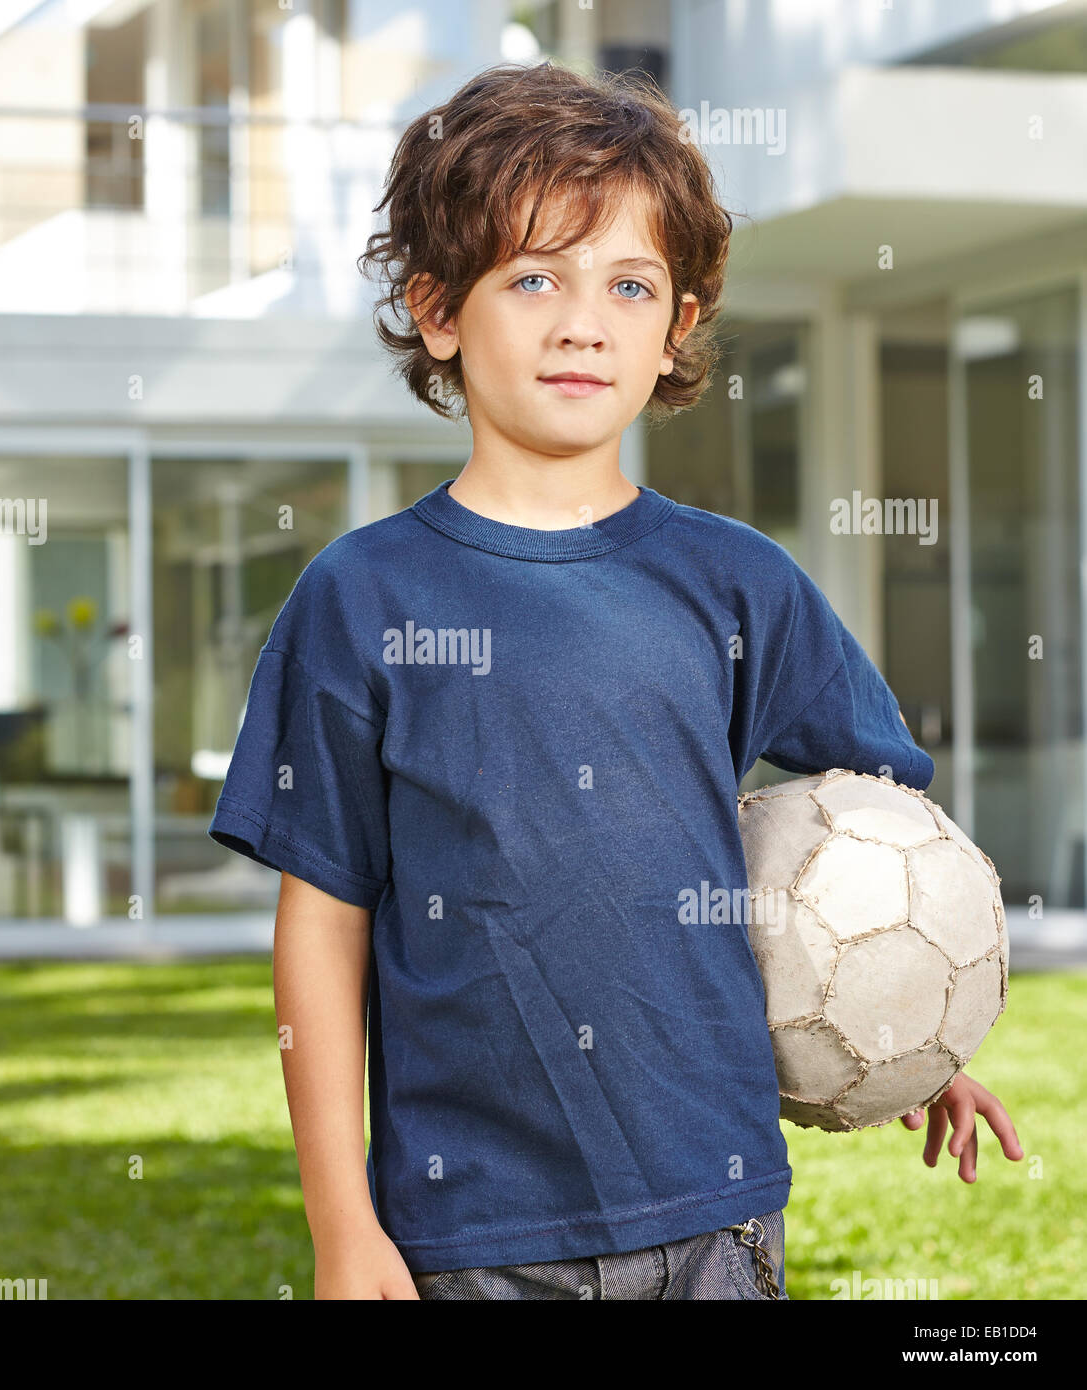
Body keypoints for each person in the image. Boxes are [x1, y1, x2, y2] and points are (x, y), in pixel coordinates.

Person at [208, 60, 1022, 1300]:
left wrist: (912, 1022)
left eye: (628, 284)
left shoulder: (737, 582)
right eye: (533, 277)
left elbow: (880, 830)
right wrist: (341, 1223)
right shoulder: (360, 599)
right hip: (468, 1232)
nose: (582, 320)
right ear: (437, 311)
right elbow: (323, 923)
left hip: (717, 1207)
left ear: (676, 326)